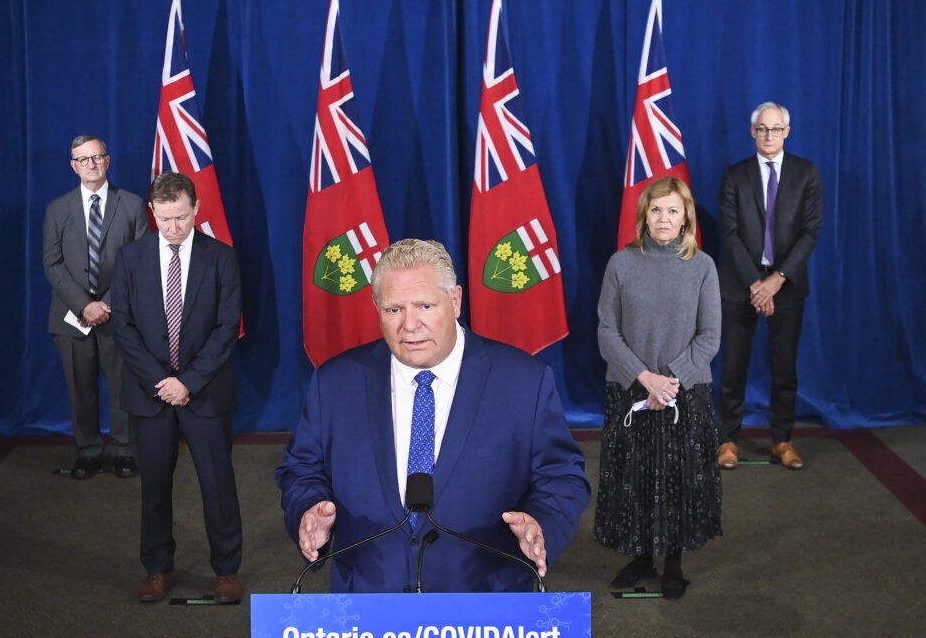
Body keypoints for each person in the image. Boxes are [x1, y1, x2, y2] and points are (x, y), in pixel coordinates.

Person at [276, 238, 590, 593]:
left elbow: (561, 476)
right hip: (368, 597)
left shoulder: (523, 381)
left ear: (455, 301)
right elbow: (302, 470)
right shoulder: (335, 382)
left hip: (484, 597)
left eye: (425, 306)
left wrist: (541, 523)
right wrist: (309, 510)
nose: (410, 325)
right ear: (376, 307)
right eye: (393, 310)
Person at [110, 172, 244, 604]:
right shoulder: (130, 257)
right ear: (152, 211)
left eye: (181, 218)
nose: (173, 227)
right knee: (154, 486)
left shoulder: (221, 257)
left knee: (217, 484)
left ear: (196, 209)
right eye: (165, 219)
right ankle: (157, 568)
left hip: (204, 392)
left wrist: (188, 381)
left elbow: (227, 327)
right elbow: (123, 326)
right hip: (151, 395)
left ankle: (226, 571)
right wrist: (161, 382)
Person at [594, 177, 722, 601]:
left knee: (678, 479)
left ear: (686, 218)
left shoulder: (702, 266)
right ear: (643, 217)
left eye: (672, 210)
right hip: (631, 390)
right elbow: (607, 332)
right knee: (634, 477)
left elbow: (709, 337)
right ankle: (641, 557)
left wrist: (669, 383)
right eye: (655, 210)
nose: (663, 218)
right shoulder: (620, 264)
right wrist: (645, 379)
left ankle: (673, 563)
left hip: (685, 393)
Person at [717, 102, 823, 470]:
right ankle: (727, 439)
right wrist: (756, 283)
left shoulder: (806, 173)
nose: (768, 135)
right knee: (733, 368)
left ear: (787, 132)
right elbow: (729, 233)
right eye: (762, 128)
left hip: (787, 284)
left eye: (776, 129)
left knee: (785, 369)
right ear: (752, 132)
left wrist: (776, 280)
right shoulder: (735, 175)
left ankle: (782, 440)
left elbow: (811, 231)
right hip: (741, 283)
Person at [43, 135, 148, 479]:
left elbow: (139, 263)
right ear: (74, 166)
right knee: (81, 388)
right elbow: (53, 264)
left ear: (108, 160)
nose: (91, 164)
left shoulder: (132, 205)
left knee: (121, 387)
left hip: (119, 315)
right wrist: (84, 306)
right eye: (83, 159)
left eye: (97, 156)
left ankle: (123, 451)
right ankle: (88, 451)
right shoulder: (57, 209)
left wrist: (106, 304)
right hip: (72, 318)